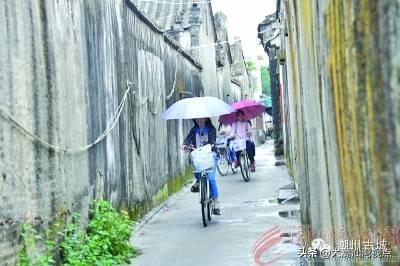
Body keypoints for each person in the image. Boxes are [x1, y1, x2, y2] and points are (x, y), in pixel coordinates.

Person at [183, 118, 221, 215]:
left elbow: (212, 141)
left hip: (209, 155)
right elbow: (188, 140)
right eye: (197, 118)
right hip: (198, 156)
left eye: (201, 118)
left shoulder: (211, 129)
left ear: (206, 119)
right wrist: (184, 145)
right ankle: (199, 181)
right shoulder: (194, 130)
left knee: (211, 179)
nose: (199, 120)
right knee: (197, 171)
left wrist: (210, 145)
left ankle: (216, 202)